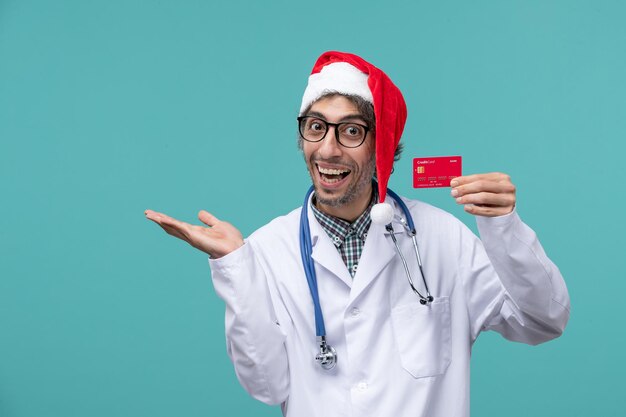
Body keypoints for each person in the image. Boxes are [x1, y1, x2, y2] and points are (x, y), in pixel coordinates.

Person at [145, 51, 570, 417]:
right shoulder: (268, 249)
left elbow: (543, 321)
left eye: (351, 131)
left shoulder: (444, 239)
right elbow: (267, 387)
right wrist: (235, 266)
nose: (328, 149)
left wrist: (503, 227)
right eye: (316, 126)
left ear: (381, 147)